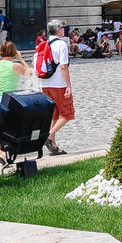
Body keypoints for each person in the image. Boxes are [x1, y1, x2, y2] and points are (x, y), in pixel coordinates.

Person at [0, 40, 29, 166]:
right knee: (11, 129)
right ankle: (4, 153)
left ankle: (2, 153)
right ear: (14, 52)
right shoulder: (14, 66)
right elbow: (30, 73)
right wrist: (21, 59)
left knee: (0, 129)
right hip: (10, 100)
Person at [40, 20, 74, 155]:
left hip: (45, 84)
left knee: (54, 115)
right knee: (66, 114)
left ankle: (53, 147)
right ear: (58, 29)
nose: (64, 29)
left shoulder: (44, 44)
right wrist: (68, 85)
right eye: (62, 27)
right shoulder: (61, 44)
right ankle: (48, 136)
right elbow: (64, 66)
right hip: (58, 84)